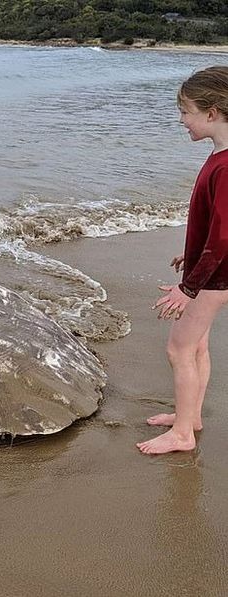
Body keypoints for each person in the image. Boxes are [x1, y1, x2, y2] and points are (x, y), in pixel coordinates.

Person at [137, 65, 228, 455]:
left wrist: (188, 287)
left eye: (186, 111)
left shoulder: (225, 167)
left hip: (214, 279)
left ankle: (182, 436)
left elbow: (224, 236)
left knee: (179, 348)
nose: (181, 120)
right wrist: (188, 256)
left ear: (211, 113)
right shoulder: (219, 157)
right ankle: (189, 418)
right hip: (213, 273)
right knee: (197, 347)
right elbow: (216, 228)